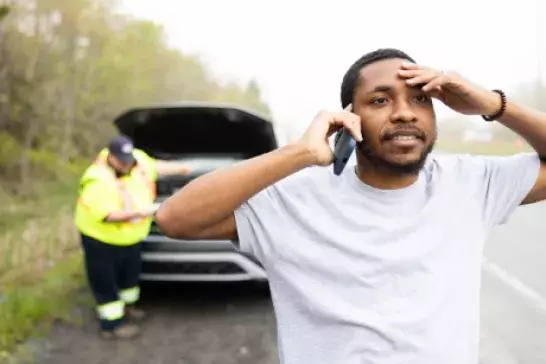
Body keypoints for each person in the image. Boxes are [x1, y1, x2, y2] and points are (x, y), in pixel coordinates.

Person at [155, 48, 546, 363]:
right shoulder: (292, 199)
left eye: (420, 99)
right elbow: (175, 218)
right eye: (380, 100)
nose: (405, 112)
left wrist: (493, 104)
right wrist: (300, 153)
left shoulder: (472, 183)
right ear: (349, 120)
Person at [75, 135, 191, 340]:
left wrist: (182, 168)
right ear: (110, 157)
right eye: (122, 161)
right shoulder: (97, 179)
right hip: (102, 240)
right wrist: (148, 211)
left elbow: (155, 166)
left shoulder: (136, 159)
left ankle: (129, 308)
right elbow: (109, 216)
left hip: (131, 239)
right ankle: (111, 325)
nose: (127, 165)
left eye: (129, 160)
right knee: (105, 282)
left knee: (129, 279)